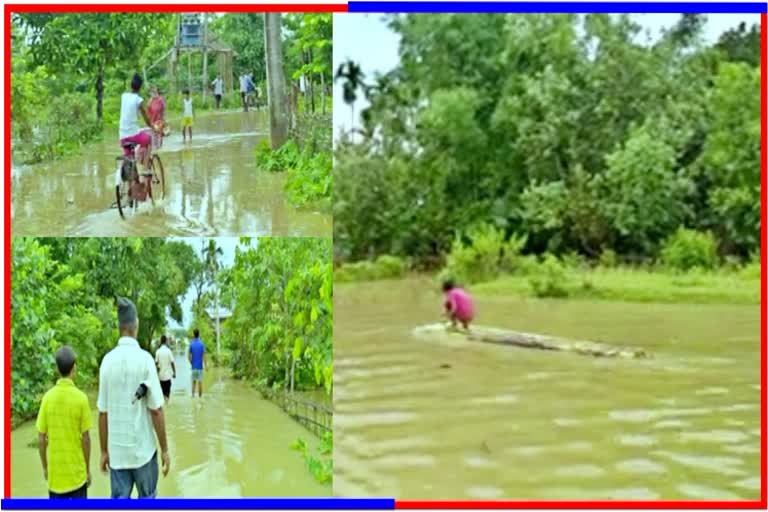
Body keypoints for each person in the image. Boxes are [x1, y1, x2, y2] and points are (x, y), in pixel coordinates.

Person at [97, 297, 170, 498]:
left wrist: (103, 451)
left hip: (118, 455)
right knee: (148, 499)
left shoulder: (106, 362)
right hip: (143, 452)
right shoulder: (145, 360)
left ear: (119, 327)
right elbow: (156, 410)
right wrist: (164, 449)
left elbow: (103, 414)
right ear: (136, 325)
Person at [36, 346, 92, 499]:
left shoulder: (47, 398)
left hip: (55, 480)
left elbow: (41, 439)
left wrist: (45, 468)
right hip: (77, 476)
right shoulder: (81, 398)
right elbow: (86, 439)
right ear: (74, 368)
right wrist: (87, 470)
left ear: (57, 369)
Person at [119, 74, 153, 170]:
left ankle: (133, 180)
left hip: (122, 136)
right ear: (140, 87)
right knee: (149, 140)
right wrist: (152, 127)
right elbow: (146, 118)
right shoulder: (139, 100)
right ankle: (146, 169)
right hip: (133, 134)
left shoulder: (123, 96)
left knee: (130, 159)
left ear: (131, 85)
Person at [154, 335, 176, 404]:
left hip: (160, 377)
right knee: (167, 395)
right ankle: (167, 406)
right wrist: (174, 372)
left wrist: (156, 373)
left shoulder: (158, 351)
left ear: (160, 341)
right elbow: (172, 362)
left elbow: (156, 363)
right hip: (167, 377)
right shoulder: (168, 351)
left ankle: (164, 406)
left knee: (161, 395)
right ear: (166, 341)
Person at [146, 85, 167, 149]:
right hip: (152, 122)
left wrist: (164, 120)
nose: (153, 93)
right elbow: (148, 113)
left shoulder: (161, 100)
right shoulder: (149, 102)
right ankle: (155, 148)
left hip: (159, 121)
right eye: (152, 92)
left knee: (159, 136)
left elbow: (163, 110)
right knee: (153, 137)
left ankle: (159, 148)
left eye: (155, 91)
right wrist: (149, 123)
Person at [188, 329, 206, 398]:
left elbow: (189, 356)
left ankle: (192, 396)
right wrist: (206, 365)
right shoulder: (202, 344)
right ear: (199, 334)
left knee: (193, 382)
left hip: (193, 367)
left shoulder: (191, 344)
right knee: (200, 382)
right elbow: (204, 355)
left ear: (193, 334)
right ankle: (200, 398)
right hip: (200, 367)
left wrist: (191, 363)